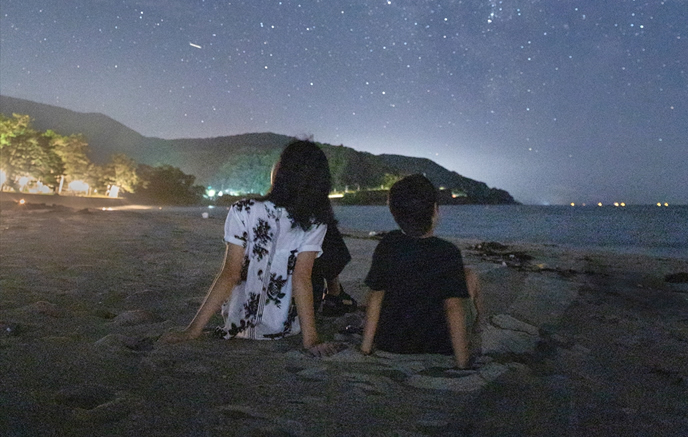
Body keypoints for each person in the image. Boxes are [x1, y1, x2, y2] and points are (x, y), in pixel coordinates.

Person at [161, 139, 338, 355]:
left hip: (237, 323)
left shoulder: (242, 209)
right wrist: (311, 340)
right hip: (281, 328)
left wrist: (193, 330)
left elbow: (230, 274)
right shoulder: (314, 221)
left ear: (281, 172)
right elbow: (302, 278)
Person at [360, 174, 482, 369]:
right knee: (470, 275)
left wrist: (366, 348)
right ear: (435, 210)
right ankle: (477, 332)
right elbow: (454, 308)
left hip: (391, 344)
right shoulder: (448, 252)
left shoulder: (388, 244)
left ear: (393, 212)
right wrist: (462, 362)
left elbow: (375, 297)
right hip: (438, 346)